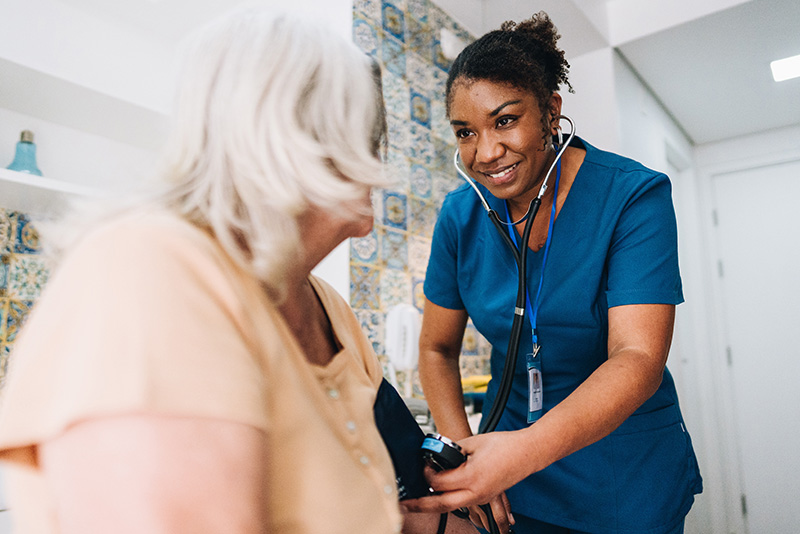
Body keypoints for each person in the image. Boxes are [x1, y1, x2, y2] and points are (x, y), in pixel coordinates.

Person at [0, 8, 477, 534]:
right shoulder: (151, 272)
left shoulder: (327, 307)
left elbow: (371, 509)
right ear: (297, 138)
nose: (375, 157)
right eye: (362, 131)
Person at [401, 11, 702, 534]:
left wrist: (518, 455)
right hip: (509, 482)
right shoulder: (460, 216)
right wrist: (463, 460)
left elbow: (638, 356)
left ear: (550, 110)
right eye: (465, 132)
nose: (486, 152)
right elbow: (436, 348)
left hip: (621, 474)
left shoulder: (632, 196)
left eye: (505, 120)